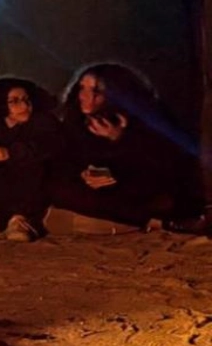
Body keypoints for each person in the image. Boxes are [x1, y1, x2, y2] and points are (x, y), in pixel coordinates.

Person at [47, 64, 199, 232]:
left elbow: (164, 163)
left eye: (97, 90)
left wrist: (119, 138)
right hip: (100, 191)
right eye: (82, 88)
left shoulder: (144, 116)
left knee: (158, 196)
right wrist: (84, 173)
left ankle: (158, 219)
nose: (86, 95)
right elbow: (67, 158)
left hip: (136, 185)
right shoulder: (75, 120)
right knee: (61, 190)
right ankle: (151, 221)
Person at [0, 78, 63, 243]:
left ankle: (21, 221)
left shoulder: (43, 121)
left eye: (26, 100)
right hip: (1, 186)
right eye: (14, 101)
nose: (24, 106)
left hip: (34, 186)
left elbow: (46, 147)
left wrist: (9, 153)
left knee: (31, 162)